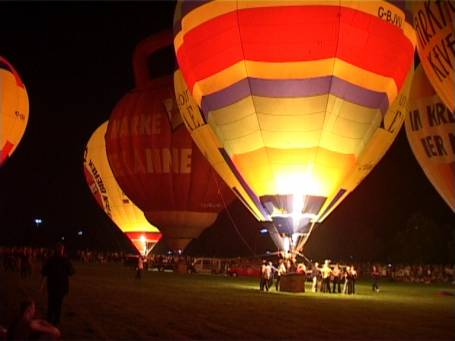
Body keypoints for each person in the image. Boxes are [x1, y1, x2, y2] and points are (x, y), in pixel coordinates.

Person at [40, 243, 75, 325]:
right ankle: (55, 320)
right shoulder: (63, 260)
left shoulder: (52, 259)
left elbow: (44, 271)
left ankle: (50, 319)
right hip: (60, 286)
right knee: (57, 304)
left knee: (52, 303)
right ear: (61, 250)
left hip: (54, 286)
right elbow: (71, 272)